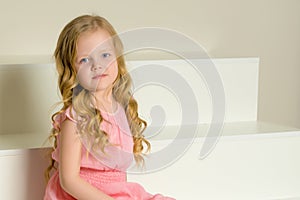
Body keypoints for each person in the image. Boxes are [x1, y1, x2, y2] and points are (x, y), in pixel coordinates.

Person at [44, 14, 175, 200]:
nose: (97, 65)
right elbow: (69, 181)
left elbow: (118, 172)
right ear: (71, 70)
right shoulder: (75, 119)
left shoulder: (121, 108)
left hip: (116, 192)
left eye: (105, 55)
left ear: (118, 59)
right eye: (84, 60)